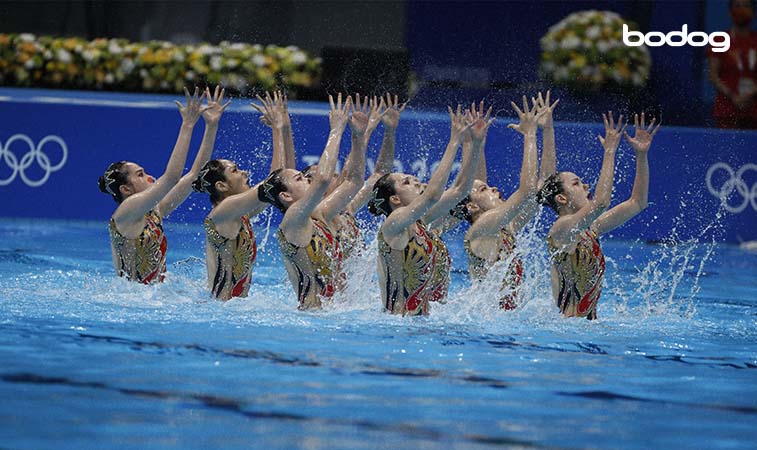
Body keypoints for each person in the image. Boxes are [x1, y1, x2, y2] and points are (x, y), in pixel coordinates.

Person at [368, 105, 491, 316]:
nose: (416, 182)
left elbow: (461, 190)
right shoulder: (394, 223)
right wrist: (454, 141)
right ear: (395, 199)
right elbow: (432, 195)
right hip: (395, 327)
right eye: (407, 182)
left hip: (418, 324)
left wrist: (476, 143)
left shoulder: (421, 221)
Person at [98, 87, 228, 283]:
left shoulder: (153, 212)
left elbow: (195, 176)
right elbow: (172, 177)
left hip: (154, 298)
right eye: (140, 175)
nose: (150, 177)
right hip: (133, 301)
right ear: (126, 189)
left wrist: (211, 126)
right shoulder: (126, 213)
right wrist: (188, 125)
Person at [537, 112, 660, 319]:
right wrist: (609, 151)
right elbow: (601, 203)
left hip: (584, 330)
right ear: (561, 199)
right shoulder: (560, 230)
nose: (585, 185)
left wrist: (641, 156)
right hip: (568, 335)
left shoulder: (589, 230)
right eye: (576, 183)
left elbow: (637, 203)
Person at [450, 93, 554, 310]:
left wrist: (548, 130)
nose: (494, 188)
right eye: (485, 190)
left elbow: (544, 186)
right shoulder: (480, 230)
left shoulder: (507, 226)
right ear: (472, 206)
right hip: (486, 326)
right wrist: (530, 135)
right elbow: (526, 191)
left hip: (504, 321)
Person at [257, 94, 352, 309]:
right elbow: (322, 180)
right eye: (301, 178)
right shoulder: (293, 220)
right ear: (286, 197)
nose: (309, 179)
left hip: (335, 313)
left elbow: (353, 182)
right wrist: (336, 130)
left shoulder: (317, 215)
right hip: (313, 318)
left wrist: (283, 128)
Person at [192, 91, 289, 300]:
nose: (244, 172)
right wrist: (277, 129)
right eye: (235, 171)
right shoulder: (223, 212)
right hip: (219, 312)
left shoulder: (239, 215)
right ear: (221, 186)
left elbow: (275, 186)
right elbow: (274, 182)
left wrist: (281, 129)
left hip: (230, 310)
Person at [708, 0, 757, 129]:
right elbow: (713, 75)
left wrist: (750, 94)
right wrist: (733, 96)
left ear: (753, 11)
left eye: (746, 6)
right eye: (737, 6)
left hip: (754, 109)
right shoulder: (720, 39)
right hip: (727, 109)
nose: (741, 10)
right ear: (730, 12)